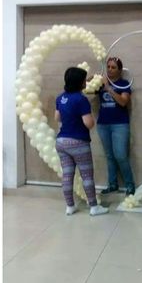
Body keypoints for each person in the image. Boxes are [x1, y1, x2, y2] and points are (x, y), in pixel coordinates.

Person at [55, 67, 109, 216]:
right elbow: (89, 123)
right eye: (84, 79)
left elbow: (57, 118)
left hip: (61, 141)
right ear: (80, 82)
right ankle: (93, 207)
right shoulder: (81, 100)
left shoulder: (60, 98)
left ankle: (70, 206)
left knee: (67, 175)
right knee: (86, 175)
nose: (86, 82)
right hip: (78, 142)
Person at [97, 57, 135, 196]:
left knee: (120, 155)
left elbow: (123, 102)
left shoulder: (123, 83)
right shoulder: (101, 83)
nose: (110, 70)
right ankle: (112, 184)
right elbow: (85, 88)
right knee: (109, 156)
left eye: (113, 67)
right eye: (108, 67)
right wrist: (93, 77)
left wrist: (109, 88)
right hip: (103, 124)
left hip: (119, 124)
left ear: (120, 70)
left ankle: (130, 185)